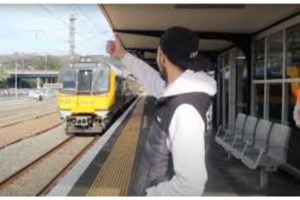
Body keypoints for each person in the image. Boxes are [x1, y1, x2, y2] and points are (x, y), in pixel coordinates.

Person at [106, 26, 217, 196]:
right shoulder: (183, 91)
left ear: (162, 57)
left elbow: (190, 186)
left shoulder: (185, 110)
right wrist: (122, 55)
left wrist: (149, 195)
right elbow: (150, 78)